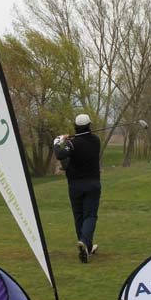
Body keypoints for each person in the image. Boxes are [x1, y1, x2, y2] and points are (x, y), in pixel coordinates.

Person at [53, 113, 101, 263]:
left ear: (76, 127)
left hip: (75, 185)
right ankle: (85, 243)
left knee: (79, 216)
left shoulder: (72, 144)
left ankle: (85, 244)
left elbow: (60, 154)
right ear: (89, 126)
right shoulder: (96, 141)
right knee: (90, 215)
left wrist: (58, 141)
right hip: (93, 183)